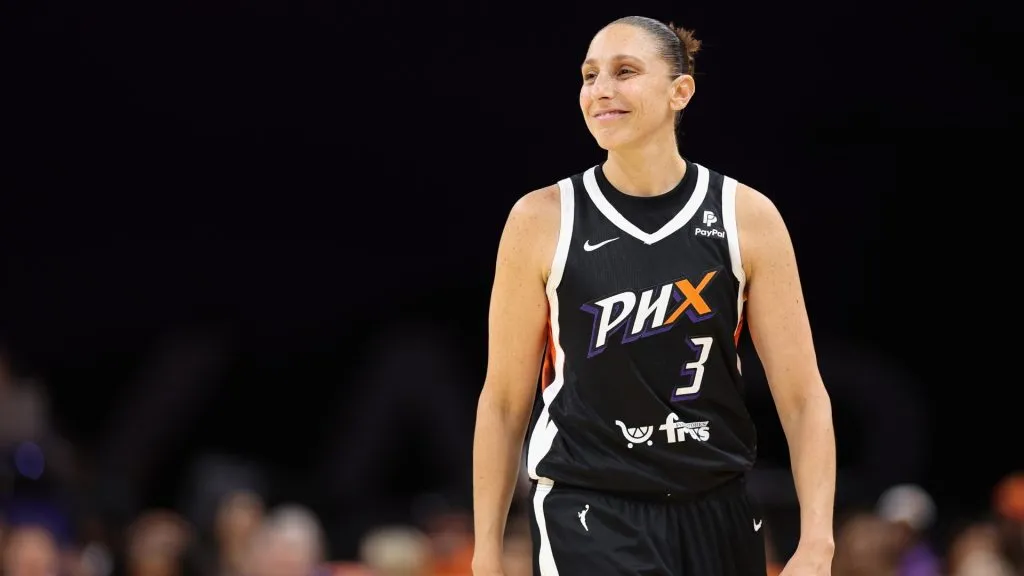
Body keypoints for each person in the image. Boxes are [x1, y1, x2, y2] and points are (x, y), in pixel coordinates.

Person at [472, 15, 837, 576]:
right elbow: (502, 402)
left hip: (718, 506)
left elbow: (803, 397)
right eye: (589, 75)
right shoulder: (542, 219)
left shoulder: (746, 216)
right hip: (590, 507)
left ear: (680, 91)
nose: (601, 89)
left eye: (625, 72)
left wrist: (817, 542)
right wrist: (487, 553)